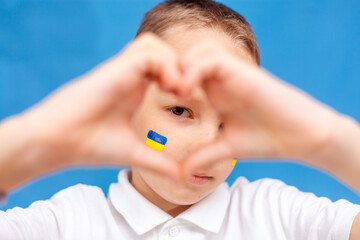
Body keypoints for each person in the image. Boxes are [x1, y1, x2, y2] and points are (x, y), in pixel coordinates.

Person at [1, 0, 360, 239]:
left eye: (228, 122)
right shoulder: (65, 223)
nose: (208, 145)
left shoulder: (281, 215)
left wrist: (330, 142)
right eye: (179, 111)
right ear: (129, 107)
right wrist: (32, 141)